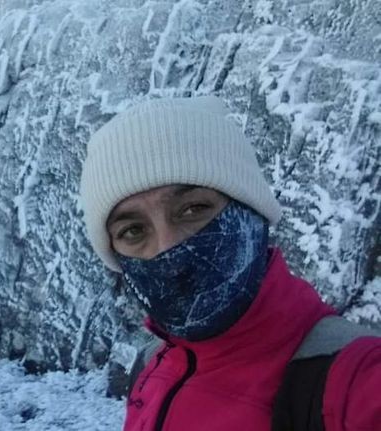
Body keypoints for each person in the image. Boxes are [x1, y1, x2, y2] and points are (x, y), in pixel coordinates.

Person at [78, 96, 381, 431]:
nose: (169, 252)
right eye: (133, 230)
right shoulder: (153, 364)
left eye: (193, 209)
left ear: (252, 212)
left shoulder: (348, 378)